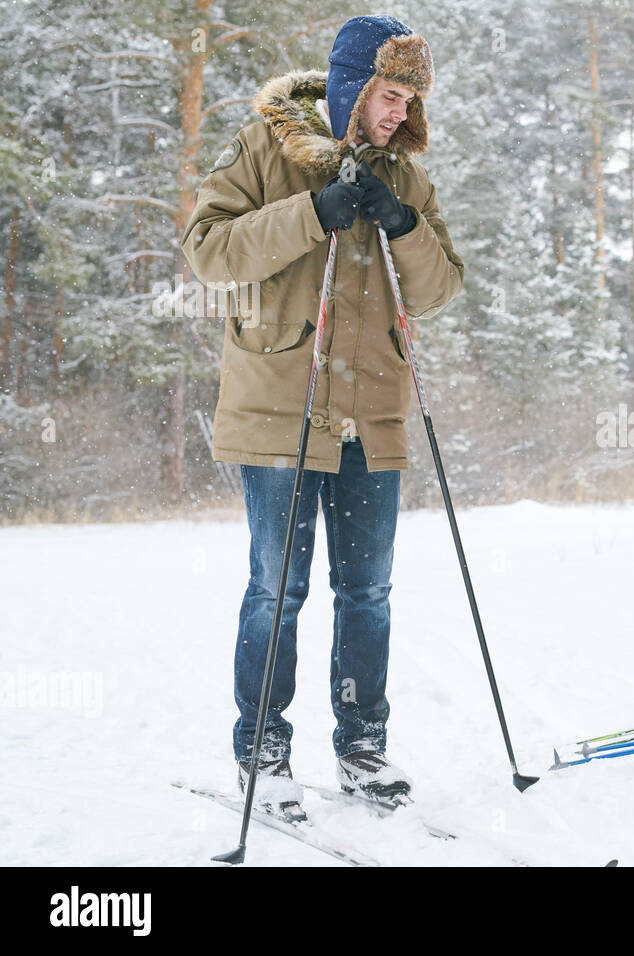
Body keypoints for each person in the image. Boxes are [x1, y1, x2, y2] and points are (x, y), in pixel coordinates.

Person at [181, 15, 464, 809]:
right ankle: (263, 753)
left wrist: (402, 224)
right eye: (389, 94)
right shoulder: (269, 148)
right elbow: (207, 249)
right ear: (353, 87)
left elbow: (440, 289)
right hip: (281, 409)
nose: (400, 114)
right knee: (278, 590)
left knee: (368, 593)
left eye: (410, 98)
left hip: (371, 416)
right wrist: (314, 214)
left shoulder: (404, 176)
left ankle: (363, 747)